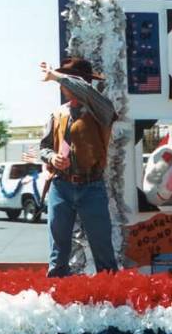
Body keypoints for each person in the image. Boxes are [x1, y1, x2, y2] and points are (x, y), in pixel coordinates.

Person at [39, 58, 118, 277]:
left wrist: (57, 75)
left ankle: (112, 299)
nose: (62, 87)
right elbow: (42, 148)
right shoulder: (57, 114)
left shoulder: (101, 109)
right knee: (58, 251)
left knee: (103, 249)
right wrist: (52, 157)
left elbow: (85, 91)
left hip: (91, 186)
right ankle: (58, 297)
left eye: (67, 82)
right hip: (61, 186)